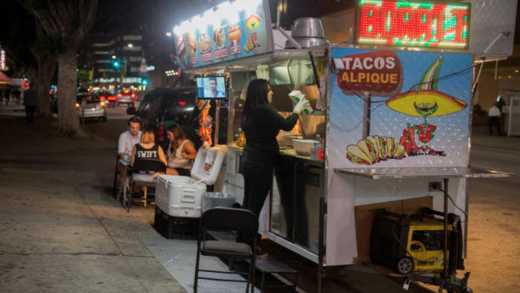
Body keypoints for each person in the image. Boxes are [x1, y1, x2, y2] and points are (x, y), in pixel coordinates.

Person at [240, 79, 310, 221]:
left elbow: (262, 132)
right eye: (269, 89)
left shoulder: (249, 109)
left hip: (249, 161)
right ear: (262, 92)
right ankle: (246, 240)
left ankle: (242, 239)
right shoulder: (265, 109)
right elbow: (287, 125)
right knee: (254, 207)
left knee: (248, 203)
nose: (272, 92)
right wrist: (297, 111)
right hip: (261, 165)